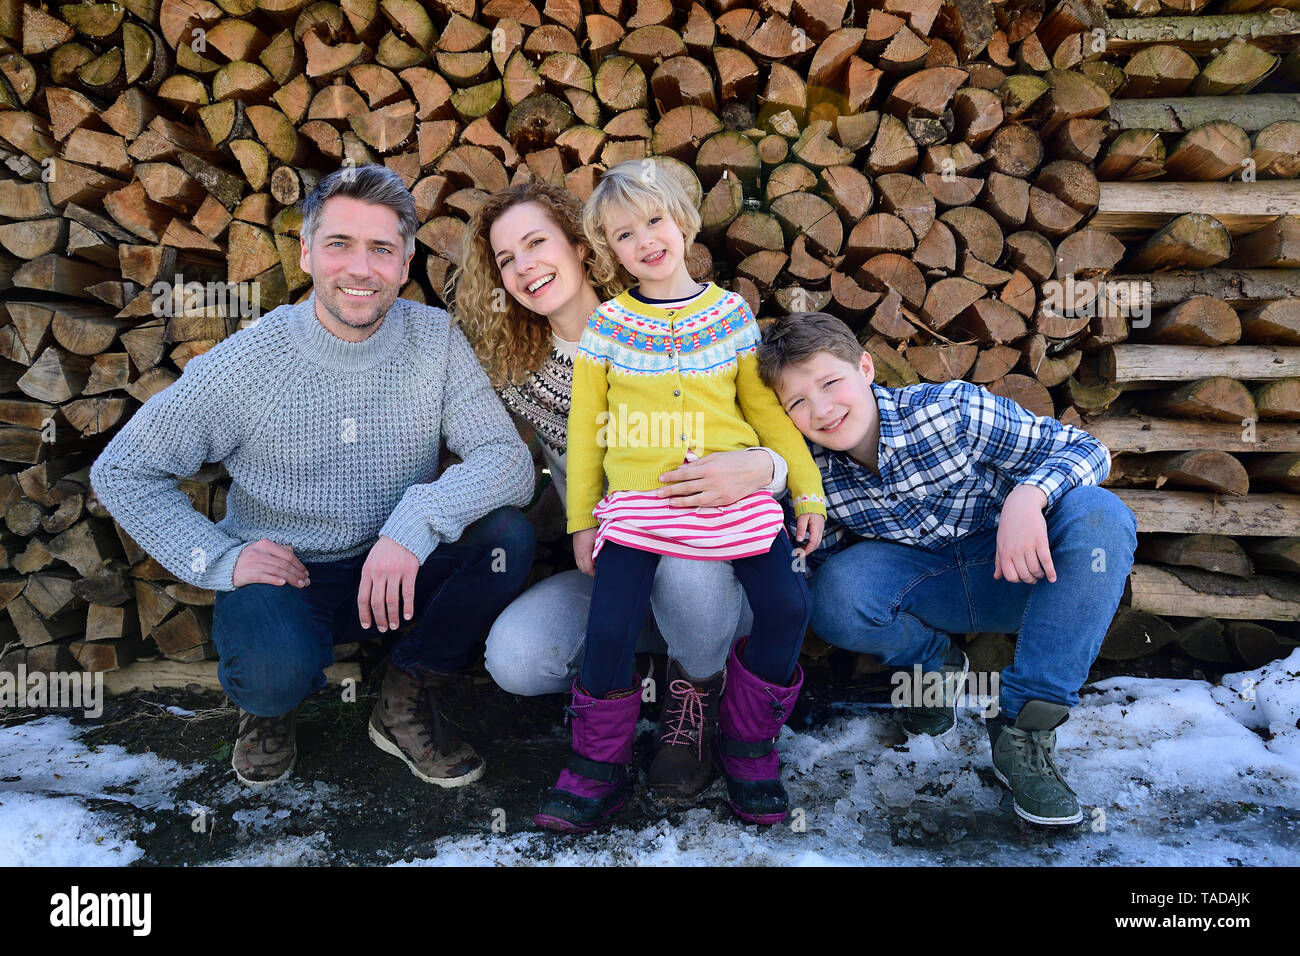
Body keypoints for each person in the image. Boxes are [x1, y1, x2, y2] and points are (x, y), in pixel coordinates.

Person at [90, 164, 537, 790]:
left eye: (382, 249)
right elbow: (124, 470)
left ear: (405, 262)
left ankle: (404, 695)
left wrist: (412, 526)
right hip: (287, 578)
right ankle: (269, 711)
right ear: (305, 253)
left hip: (398, 571)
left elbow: (508, 461)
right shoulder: (249, 363)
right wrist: (221, 558)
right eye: (339, 245)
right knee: (273, 672)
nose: (361, 269)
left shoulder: (436, 340)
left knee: (507, 537)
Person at [453, 182, 793, 801]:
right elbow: (511, 465)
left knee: (690, 570)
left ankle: (694, 700)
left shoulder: (679, 320)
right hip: (618, 560)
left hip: (714, 553)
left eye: (537, 242)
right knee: (516, 658)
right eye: (506, 259)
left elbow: (771, 418)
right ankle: (626, 688)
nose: (525, 266)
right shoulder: (518, 374)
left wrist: (765, 468)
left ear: (584, 247)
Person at [533, 161, 829, 833]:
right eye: (624, 234)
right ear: (610, 250)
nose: (645, 241)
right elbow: (585, 436)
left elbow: (767, 415)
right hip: (639, 504)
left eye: (655, 221)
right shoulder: (606, 328)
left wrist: (805, 493)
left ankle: (747, 743)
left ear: (685, 221)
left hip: (736, 499)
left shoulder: (730, 316)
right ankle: (595, 766)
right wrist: (583, 519)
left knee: (787, 604)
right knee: (608, 624)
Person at [756, 311, 1137, 827]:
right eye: (797, 402)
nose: (822, 409)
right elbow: (826, 569)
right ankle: (933, 670)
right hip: (930, 586)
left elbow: (1087, 448)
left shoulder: (948, 411)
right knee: (833, 595)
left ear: (866, 368)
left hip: (1021, 574)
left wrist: (1027, 497)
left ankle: (1025, 729)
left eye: (831, 383)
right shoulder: (809, 472)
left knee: (1101, 514)